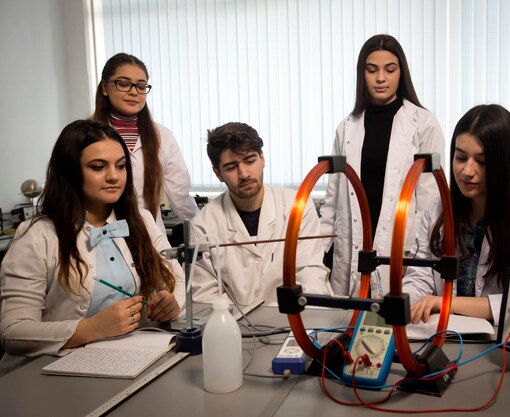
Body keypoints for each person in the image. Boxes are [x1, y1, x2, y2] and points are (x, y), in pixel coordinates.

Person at [0, 120, 184, 375]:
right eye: (98, 167)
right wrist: (93, 328)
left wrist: (171, 304)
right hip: (48, 372)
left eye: (120, 166)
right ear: (70, 171)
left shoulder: (141, 220)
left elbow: (177, 278)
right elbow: (14, 332)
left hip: (127, 363)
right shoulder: (35, 236)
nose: (113, 176)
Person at [403, 104, 510, 326]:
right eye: (461, 158)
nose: (467, 171)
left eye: (482, 162)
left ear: (506, 165)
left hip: (500, 346)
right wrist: (405, 301)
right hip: (442, 337)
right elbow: (420, 278)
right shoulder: (438, 211)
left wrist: (447, 304)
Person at [319, 34, 445, 297]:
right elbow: (333, 198)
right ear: (361, 74)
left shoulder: (422, 123)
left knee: (390, 326)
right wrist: (319, 250)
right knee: (349, 325)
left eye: (390, 69)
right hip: (352, 246)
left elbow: (431, 200)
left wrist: (413, 252)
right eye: (371, 69)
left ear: (401, 72)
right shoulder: (346, 127)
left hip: (401, 248)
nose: (380, 78)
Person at [190, 122, 332, 306]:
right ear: (218, 173)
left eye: (250, 161)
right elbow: (205, 297)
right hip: (234, 329)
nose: (244, 174)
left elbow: (311, 275)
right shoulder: (204, 225)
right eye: (231, 167)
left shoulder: (297, 207)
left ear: (262, 158)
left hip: (294, 320)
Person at [92, 53, 198, 232]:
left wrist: (206, 236)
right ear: (105, 87)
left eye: (141, 87)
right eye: (124, 84)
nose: (133, 92)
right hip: (100, 236)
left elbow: (181, 197)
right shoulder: (84, 135)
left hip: (150, 237)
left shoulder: (162, 136)